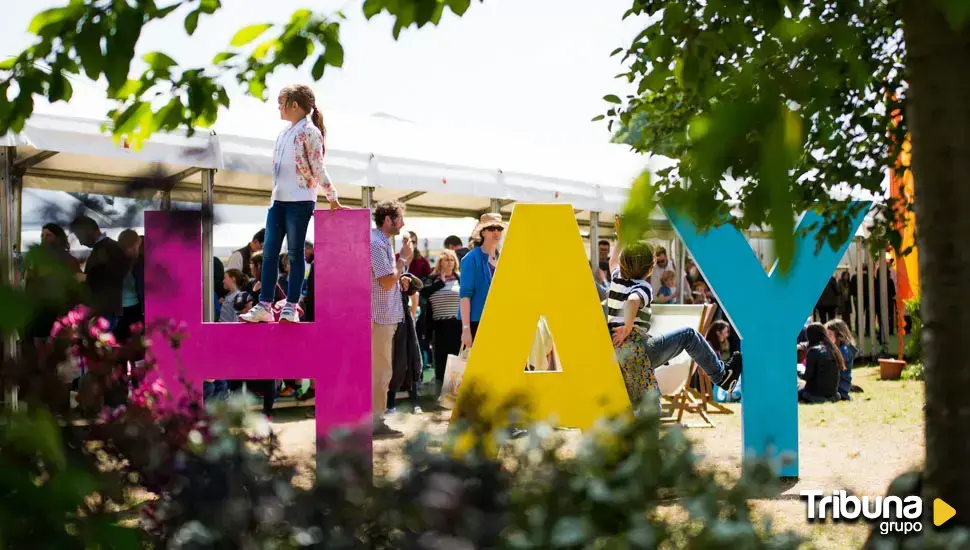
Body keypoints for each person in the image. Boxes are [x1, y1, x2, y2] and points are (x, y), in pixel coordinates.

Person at [241, 84, 345, 324]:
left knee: (295, 253)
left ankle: (291, 305)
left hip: (299, 201)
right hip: (278, 201)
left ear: (294, 105)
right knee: (268, 253)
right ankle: (264, 305)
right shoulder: (283, 133)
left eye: (281, 102)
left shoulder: (310, 132)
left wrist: (331, 195)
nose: (278, 107)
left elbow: (318, 167)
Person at [608, 240, 741, 410]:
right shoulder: (643, 286)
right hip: (641, 350)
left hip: (618, 353)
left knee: (640, 403)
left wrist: (621, 238)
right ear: (650, 268)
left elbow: (612, 261)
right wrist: (627, 327)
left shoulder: (616, 280)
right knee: (689, 335)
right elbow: (633, 300)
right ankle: (722, 376)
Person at [370, 201, 412, 436]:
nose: (403, 223)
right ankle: (375, 422)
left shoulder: (380, 242)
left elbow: (386, 281)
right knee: (381, 371)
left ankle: (375, 419)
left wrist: (400, 277)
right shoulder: (376, 243)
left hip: (383, 316)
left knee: (382, 370)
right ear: (388, 220)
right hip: (380, 317)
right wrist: (404, 259)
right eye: (400, 218)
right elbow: (386, 282)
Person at [70, 216, 129, 330]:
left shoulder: (110, 248)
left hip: (105, 311)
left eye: (79, 236)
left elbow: (117, 274)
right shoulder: (105, 248)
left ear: (88, 231)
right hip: (102, 310)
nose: (81, 243)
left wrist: (87, 277)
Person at [459, 213, 507, 348]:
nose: (496, 232)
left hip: (499, 321)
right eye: (491, 228)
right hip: (476, 323)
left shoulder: (503, 258)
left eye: (499, 228)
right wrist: (466, 329)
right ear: (483, 232)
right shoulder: (471, 258)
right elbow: (465, 296)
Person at [420, 249, 462, 395]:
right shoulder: (432, 279)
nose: (449, 262)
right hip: (439, 326)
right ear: (440, 262)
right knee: (441, 359)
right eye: (446, 259)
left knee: (457, 358)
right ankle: (441, 394)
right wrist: (441, 283)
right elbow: (423, 293)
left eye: (452, 259)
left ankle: (455, 394)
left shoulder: (460, 278)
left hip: (457, 325)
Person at [797, 322, 845, 403]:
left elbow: (807, 376)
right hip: (832, 394)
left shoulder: (813, 351)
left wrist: (798, 371)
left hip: (815, 395)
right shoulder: (834, 349)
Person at [826, 319, 857, 401]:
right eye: (826, 334)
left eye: (830, 334)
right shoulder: (837, 347)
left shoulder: (845, 350)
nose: (827, 337)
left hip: (840, 388)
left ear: (840, 335)